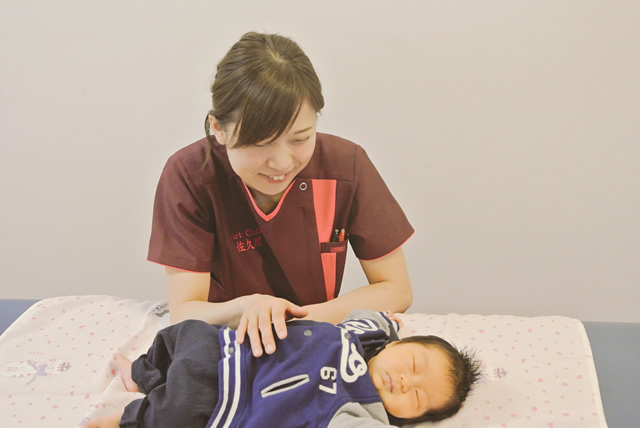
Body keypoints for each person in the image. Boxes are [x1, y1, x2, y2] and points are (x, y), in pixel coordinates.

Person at [148, 31, 415, 357]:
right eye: (260, 145)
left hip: (316, 336)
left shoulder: (346, 165)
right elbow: (185, 312)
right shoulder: (189, 176)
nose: (282, 163)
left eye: (300, 138)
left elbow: (396, 289)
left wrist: (299, 321)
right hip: (226, 344)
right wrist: (250, 308)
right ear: (219, 129)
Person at [84, 310, 481, 428]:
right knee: (182, 333)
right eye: (413, 364)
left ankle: (129, 417)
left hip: (229, 404)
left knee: (177, 411)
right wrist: (388, 320)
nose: (404, 382)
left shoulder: (361, 411)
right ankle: (143, 374)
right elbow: (372, 317)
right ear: (399, 346)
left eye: (417, 397)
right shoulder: (364, 337)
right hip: (233, 351)